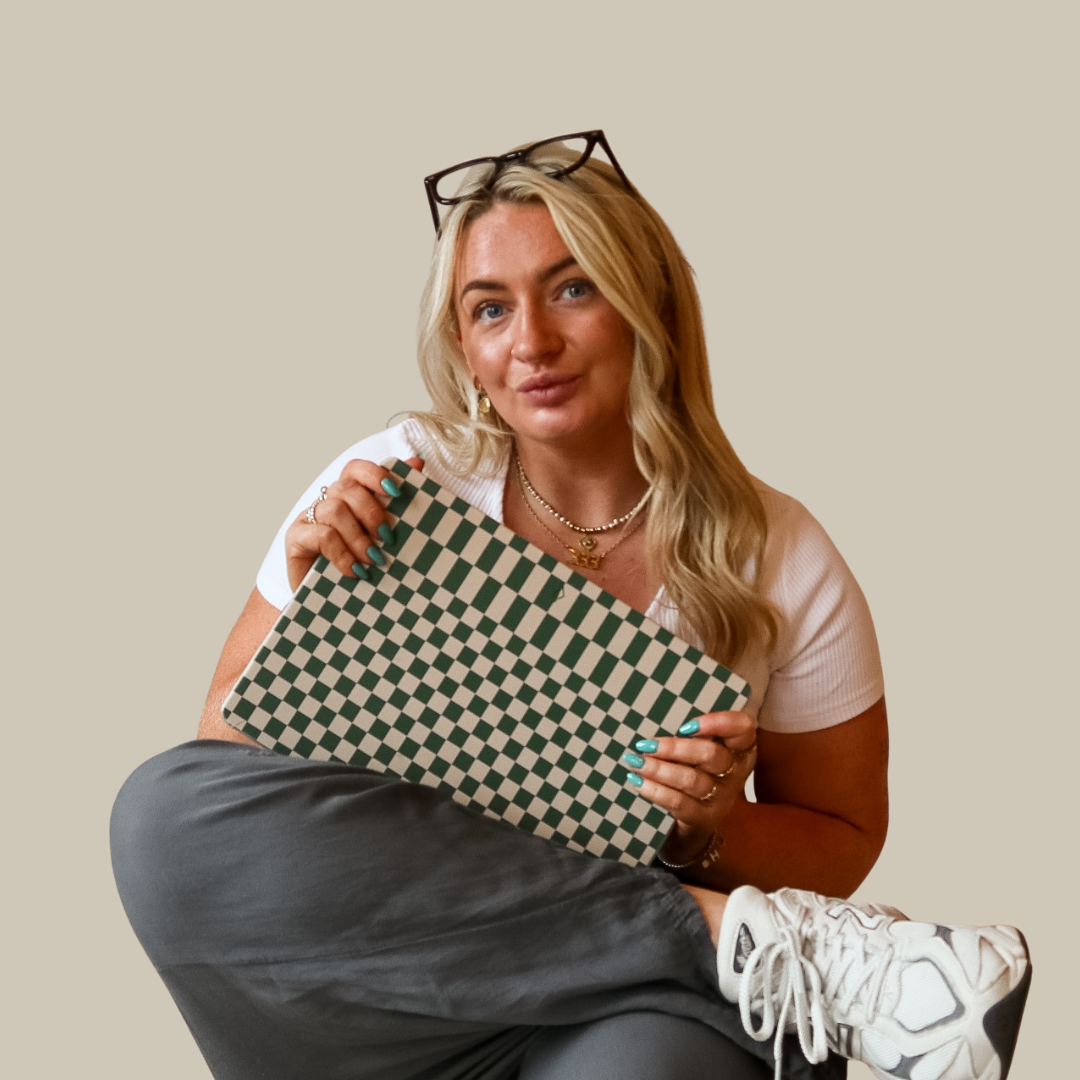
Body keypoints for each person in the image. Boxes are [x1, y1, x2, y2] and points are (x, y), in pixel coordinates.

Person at [110, 132, 1030, 1080]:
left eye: (573, 288)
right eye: (490, 308)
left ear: (648, 308)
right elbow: (227, 764)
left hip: (620, 1012)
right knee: (159, 817)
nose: (532, 343)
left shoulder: (781, 553)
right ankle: (723, 938)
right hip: (390, 1007)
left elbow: (844, 838)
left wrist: (710, 830)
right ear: (464, 349)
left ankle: (723, 950)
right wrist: (319, 620)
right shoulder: (398, 481)